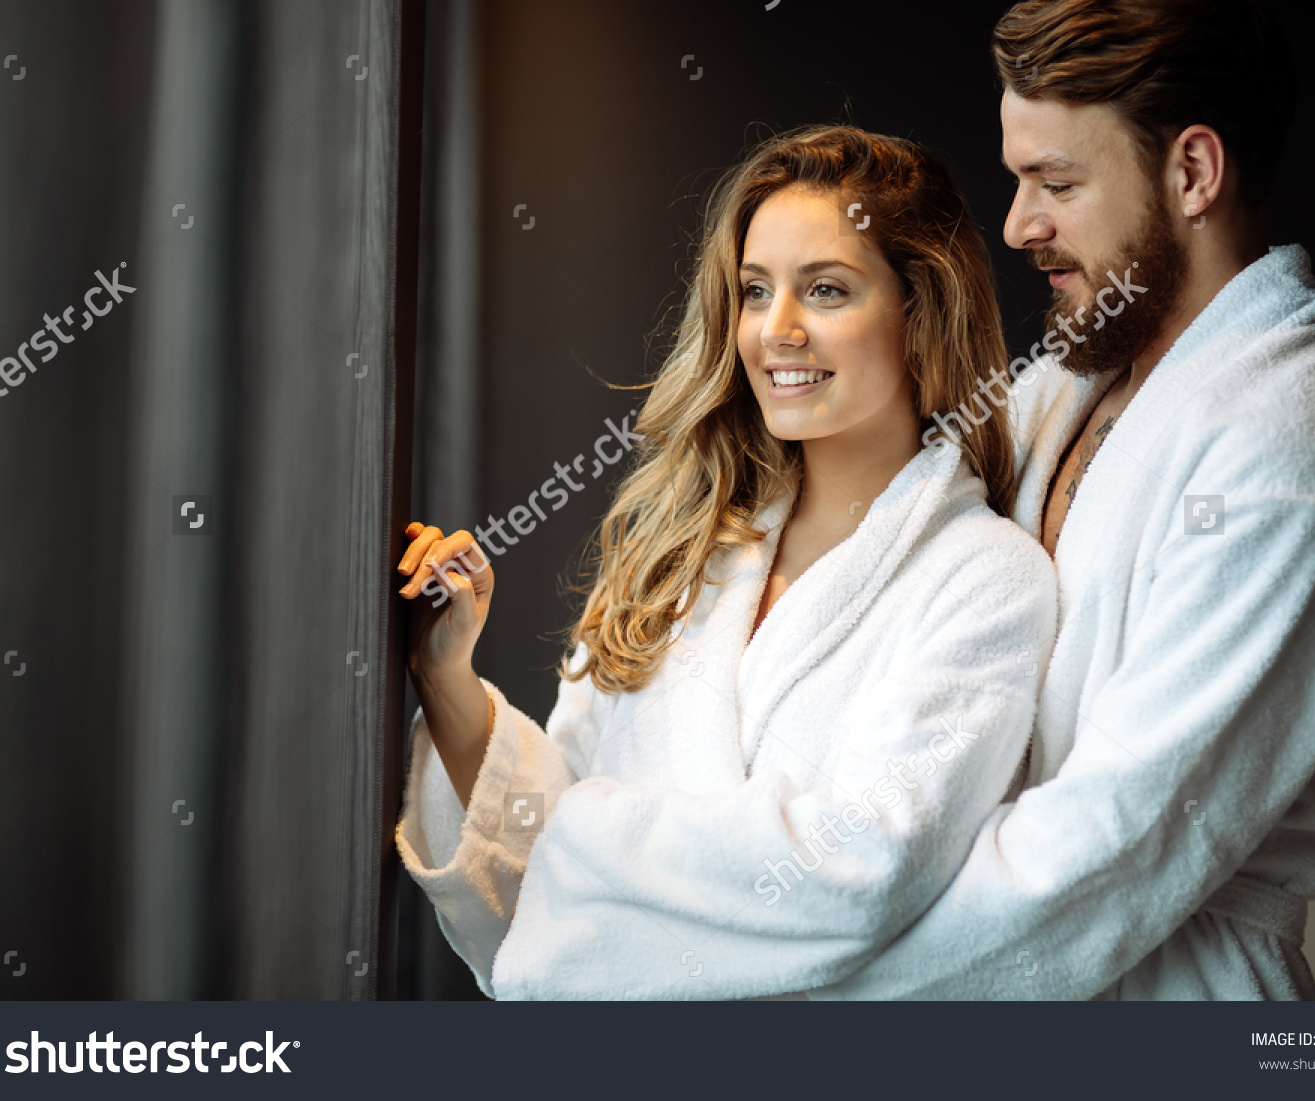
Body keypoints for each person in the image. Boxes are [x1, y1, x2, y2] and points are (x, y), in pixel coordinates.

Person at [791, 0, 1315, 999]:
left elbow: (1114, 850)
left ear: (1193, 173)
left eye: (1057, 183)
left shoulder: (1291, 455)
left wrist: (798, 975)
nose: (1017, 226)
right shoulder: (1057, 391)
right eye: (1016, 179)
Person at [393, 125, 1058, 998]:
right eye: (754, 291)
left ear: (921, 311)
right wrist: (447, 678)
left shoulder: (985, 580)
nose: (775, 331)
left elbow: (859, 869)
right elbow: (525, 873)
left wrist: (582, 836)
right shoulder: (681, 552)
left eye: (825, 289)